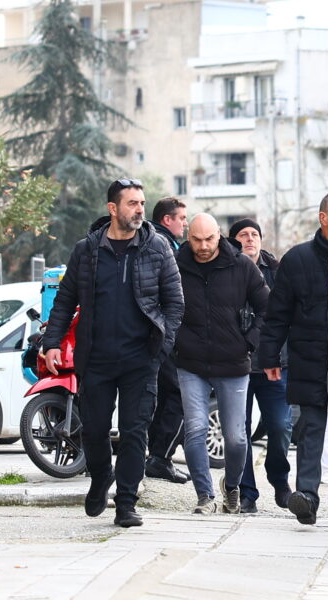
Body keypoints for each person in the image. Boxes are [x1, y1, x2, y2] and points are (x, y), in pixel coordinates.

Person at [42, 178, 184, 528]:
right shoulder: (86, 250)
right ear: (113, 209)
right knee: (93, 429)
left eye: (142, 203)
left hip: (141, 358)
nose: (139, 209)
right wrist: (51, 343)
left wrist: (161, 347)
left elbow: (175, 304)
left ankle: (125, 502)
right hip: (97, 357)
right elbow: (65, 300)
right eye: (132, 203)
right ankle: (101, 476)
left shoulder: (157, 249)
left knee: (135, 432)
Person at [259, 192, 328, 527]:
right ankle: (306, 497)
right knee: (309, 430)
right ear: (323, 218)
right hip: (309, 360)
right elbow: (276, 314)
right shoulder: (296, 259)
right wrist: (270, 354)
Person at [174, 214, 269, 514]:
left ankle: (231, 486)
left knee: (237, 437)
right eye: (197, 240)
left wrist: (250, 341)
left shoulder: (241, 266)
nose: (203, 246)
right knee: (196, 429)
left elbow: (269, 308)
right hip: (190, 362)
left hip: (233, 362)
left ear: (220, 236)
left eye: (209, 239)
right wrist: (171, 340)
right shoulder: (175, 266)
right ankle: (204, 495)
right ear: (188, 237)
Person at [229, 218, 291, 514]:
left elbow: (287, 315)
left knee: (280, 426)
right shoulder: (225, 270)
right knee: (238, 432)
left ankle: (279, 479)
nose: (250, 239)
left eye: (255, 234)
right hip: (234, 365)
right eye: (243, 234)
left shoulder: (278, 271)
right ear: (233, 241)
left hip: (273, 364)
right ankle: (247, 492)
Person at [145, 196, 190, 484]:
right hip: (163, 336)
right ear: (167, 220)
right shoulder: (162, 247)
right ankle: (159, 458)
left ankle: (157, 456)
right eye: (182, 218)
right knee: (178, 395)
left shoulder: (164, 244)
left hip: (159, 335)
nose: (185, 224)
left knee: (163, 398)